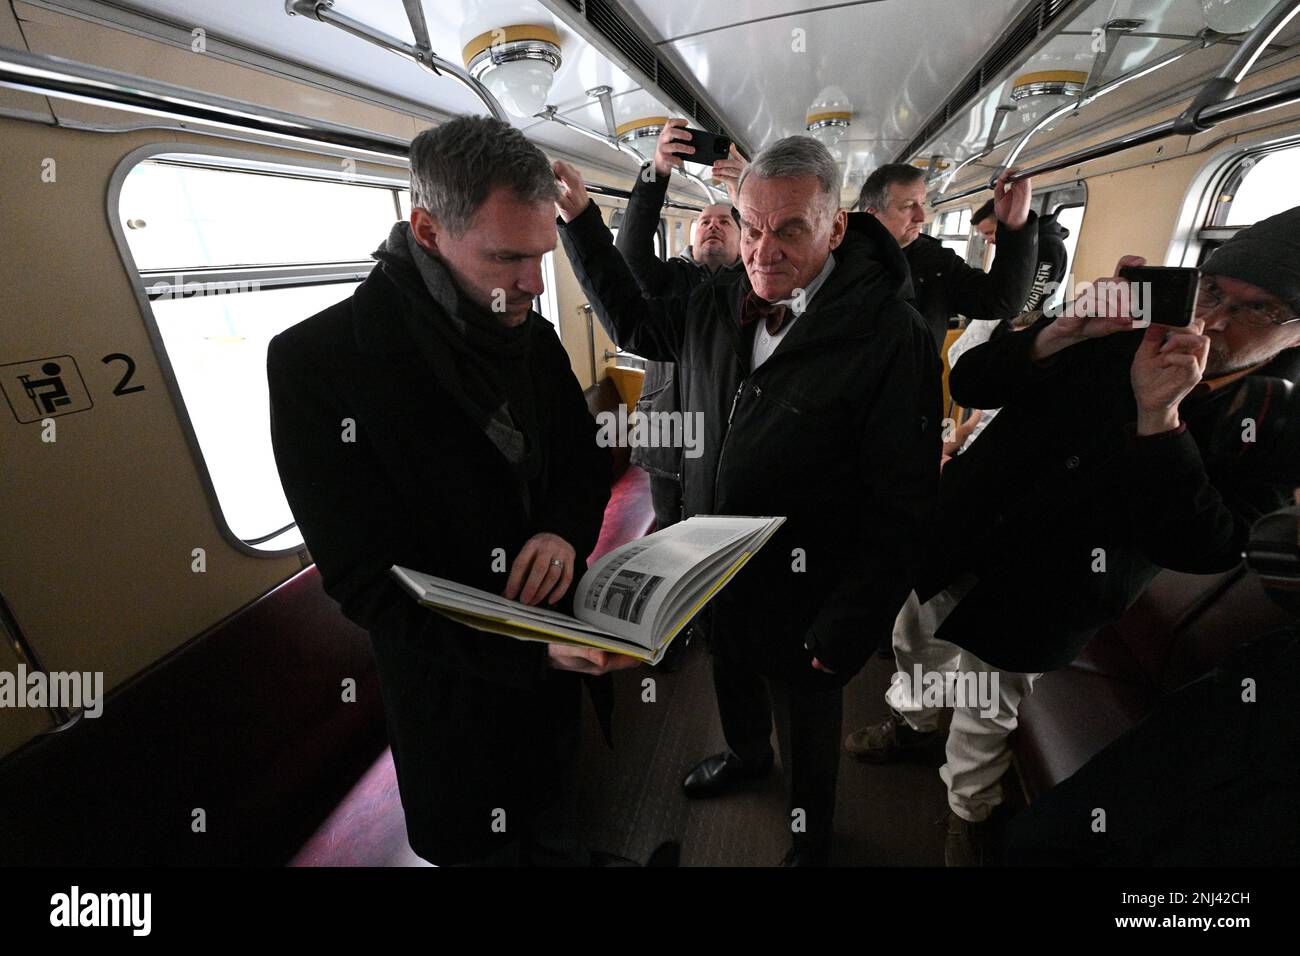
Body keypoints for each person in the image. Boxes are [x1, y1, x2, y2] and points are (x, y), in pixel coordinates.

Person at [845, 206, 1300, 866]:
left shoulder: (1277, 423)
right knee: (913, 641)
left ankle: (966, 808)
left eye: (1257, 310)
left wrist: (1161, 418)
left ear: (1295, 333)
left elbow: (1206, 545)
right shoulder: (1120, 332)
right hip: (962, 531)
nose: (1219, 319)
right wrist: (1056, 335)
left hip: (1056, 588)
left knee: (986, 705)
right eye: (1214, 291)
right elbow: (970, 383)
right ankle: (913, 726)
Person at [555, 135, 941, 865]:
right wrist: (578, 222)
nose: (763, 250)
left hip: (810, 593)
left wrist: (845, 630)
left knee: (809, 723)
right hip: (715, 565)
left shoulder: (891, 337)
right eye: (751, 225)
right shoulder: (719, 299)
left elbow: (905, 504)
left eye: (790, 228)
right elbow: (634, 323)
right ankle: (745, 756)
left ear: (836, 228)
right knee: (731, 674)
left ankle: (810, 838)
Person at [266, 116, 640, 867]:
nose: (535, 285)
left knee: (554, 813)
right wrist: (531, 651)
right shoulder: (318, 362)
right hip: (452, 694)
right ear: (428, 230)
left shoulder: (525, 326)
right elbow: (366, 582)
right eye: (508, 257)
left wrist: (563, 533)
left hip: (554, 661)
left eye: (542, 256)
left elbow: (576, 461)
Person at [616, 118, 743, 530]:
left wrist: (746, 190)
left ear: (745, 242)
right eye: (704, 221)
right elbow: (629, 253)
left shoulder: (752, 287)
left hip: (726, 437)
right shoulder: (669, 280)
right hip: (667, 434)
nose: (713, 225)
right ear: (690, 240)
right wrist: (657, 172)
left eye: (726, 221)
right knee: (669, 531)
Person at [857, 164, 1039, 353]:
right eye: (908, 206)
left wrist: (1015, 225)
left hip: (915, 381)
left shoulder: (937, 262)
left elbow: (1001, 301)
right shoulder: (838, 258)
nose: (921, 217)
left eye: (922, 204)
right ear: (873, 215)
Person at [972, 199, 1072, 332]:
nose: (989, 241)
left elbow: (1033, 300)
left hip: (1022, 326)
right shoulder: (1017, 246)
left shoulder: (1048, 245)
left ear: (1005, 225)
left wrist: (1006, 330)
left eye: (990, 233)